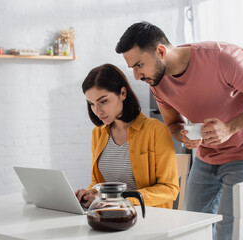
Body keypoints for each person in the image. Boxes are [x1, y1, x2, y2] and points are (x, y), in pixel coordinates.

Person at [115, 21, 243, 240]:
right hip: (205, 158)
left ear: (161, 51)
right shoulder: (157, 83)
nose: (136, 76)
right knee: (192, 228)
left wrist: (230, 128)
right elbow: (174, 124)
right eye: (132, 68)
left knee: (228, 232)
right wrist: (183, 137)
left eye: (139, 65)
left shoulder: (223, 58)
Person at [75, 63, 179, 209]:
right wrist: (90, 193)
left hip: (148, 217)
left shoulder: (155, 130)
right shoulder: (98, 133)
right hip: (110, 215)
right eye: (91, 104)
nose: (97, 111)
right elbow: (97, 182)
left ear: (122, 93)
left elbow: (169, 189)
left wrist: (121, 200)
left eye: (103, 101)